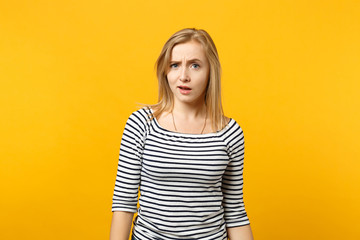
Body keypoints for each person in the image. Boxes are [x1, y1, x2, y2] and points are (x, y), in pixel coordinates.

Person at [110, 28, 254, 240]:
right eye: (175, 65)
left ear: (210, 72)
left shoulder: (230, 133)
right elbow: (124, 202)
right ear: (165, 71)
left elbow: (234, 211)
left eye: (195, 65)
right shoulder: (142, 124)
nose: (183, 76)